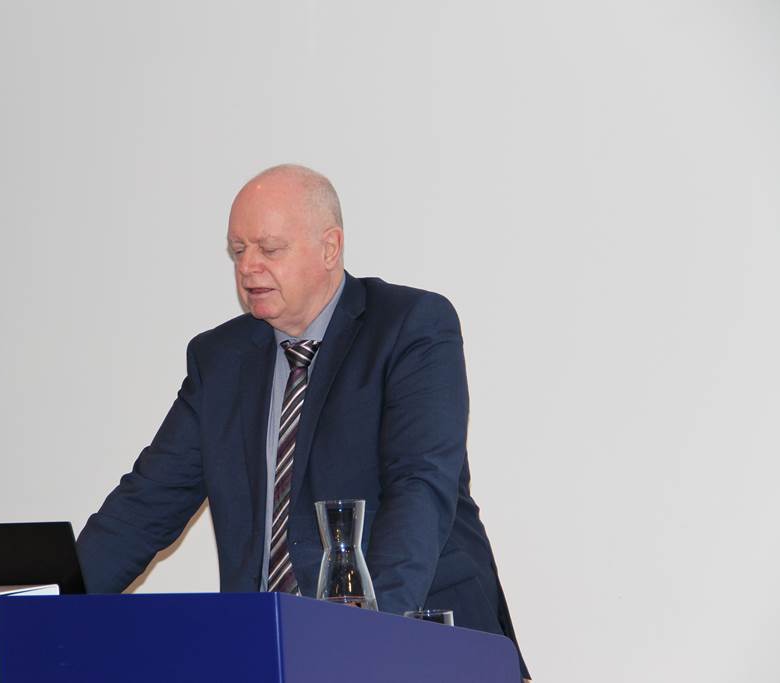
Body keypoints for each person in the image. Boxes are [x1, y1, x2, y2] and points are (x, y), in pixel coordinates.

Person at [77, 164, 529, 679]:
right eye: (238, 250)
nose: (248, 267)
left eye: (269, 249)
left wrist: (367, 639)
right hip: (269, 652)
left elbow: (419, 490)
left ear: (329, 248)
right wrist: (49, 609)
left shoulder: (409, 327)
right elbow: (145, 505)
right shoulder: (219, 359)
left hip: (420, 640)